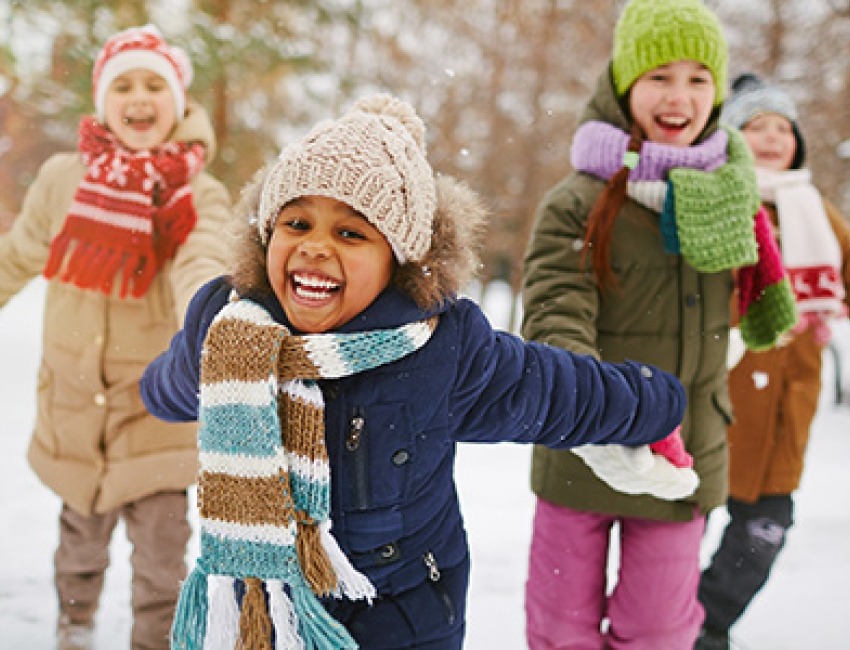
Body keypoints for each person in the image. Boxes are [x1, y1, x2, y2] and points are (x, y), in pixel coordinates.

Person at [139, 93, 696, 650]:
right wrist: (160, 382)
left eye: (350, 233)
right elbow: (175, 384)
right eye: (296, 223)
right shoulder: (232, 329)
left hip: (403, 616)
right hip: (268, 609)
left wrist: (654, 403)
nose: (314, 247)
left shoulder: (441, 348)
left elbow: (553, 391)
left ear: (398, 258)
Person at [520, 1, 799, 648]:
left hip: (686, 457)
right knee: (561, 629)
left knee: (660, 631)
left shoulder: (731, 194)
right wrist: (595, 414)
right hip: (582, 451)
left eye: (699, 79)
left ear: (718, 93)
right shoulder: (578, 200)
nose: (679, 97)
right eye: (659, 77)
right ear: (624, 86)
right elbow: (557, 312)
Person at [0, 25, 231, 650]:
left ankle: (154, 641)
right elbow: (18, 256)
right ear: (103, 101)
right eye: (123, 84)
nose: (138, 97)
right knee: (78, 545)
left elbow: (203, 258)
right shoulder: (61, 179)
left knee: (161, 560)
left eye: (154, 84)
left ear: (178, 102)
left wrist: (207, 314)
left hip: (155, 412)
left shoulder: (196, 194)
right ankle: (73, 626)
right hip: (73, 408)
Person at [695, 74, 850, 650]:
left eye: (782, 128)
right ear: (733, 136)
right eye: (756, 126)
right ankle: (669, 625)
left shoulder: (818, 214)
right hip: (721, 395)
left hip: (788, 402)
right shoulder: (718, 200)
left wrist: (823, 301)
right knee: (686, 525)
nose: (770, 137)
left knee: (766, 530)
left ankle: (708, 625)